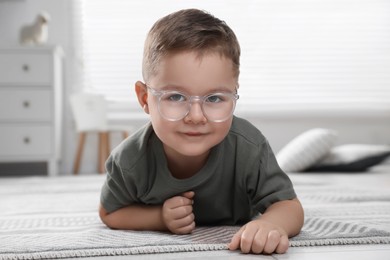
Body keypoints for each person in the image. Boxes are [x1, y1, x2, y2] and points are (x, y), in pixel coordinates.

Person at [99, 8, 304, 255]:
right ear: (144, 98)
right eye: (175, 96)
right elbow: (110, 212)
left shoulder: (249, 148)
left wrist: (269, 223)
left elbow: (289, 206)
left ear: (234, 96)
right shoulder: (130, 160)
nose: (196, 117)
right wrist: (159, 218)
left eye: (215, 98)